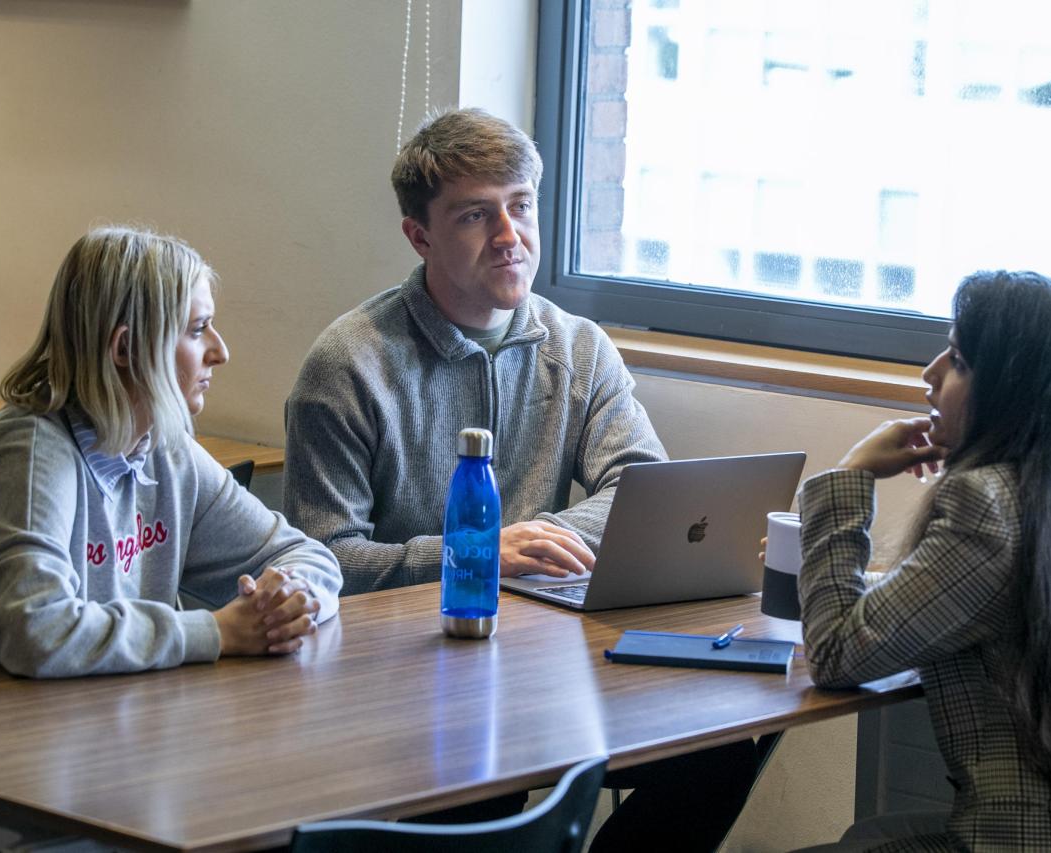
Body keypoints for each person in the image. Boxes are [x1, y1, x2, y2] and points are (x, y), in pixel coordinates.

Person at [283, 108, 755, 851]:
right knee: (475, 783)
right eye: (476, 215)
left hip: (545, 657)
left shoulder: (578, 347)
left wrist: (528, 546)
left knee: (718, 741)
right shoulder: (349, 366)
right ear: (420, 235)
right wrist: (475, 555)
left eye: (522, 206)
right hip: (409, 675)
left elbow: (645, 492)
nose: (510, 235)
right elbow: (320, 560)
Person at [793, 271, 1051, 852]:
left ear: (1016, 391)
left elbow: (838, 653)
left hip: (1031, 842)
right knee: (869, 834)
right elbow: (982, 599)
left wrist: (849, 478)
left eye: (960, 360)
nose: (931, 373)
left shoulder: (990, 503)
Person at [0, 227, 342, 677]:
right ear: (125, 348)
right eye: (198, 330)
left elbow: (310, 556)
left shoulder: (166, 450)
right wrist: (216, 632)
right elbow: (36, 632)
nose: (219, 351)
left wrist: (288, 601)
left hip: (81, 716)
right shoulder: (28, 457)